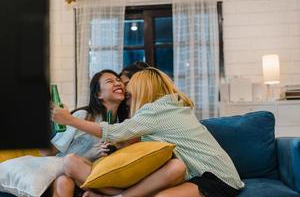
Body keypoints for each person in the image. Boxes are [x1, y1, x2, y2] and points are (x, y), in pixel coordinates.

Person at [54, 68, 245, 197]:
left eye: (131, 90)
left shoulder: (155, 110)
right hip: (216, 175)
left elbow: (115, 132)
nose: (128, 94)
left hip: (216, 179)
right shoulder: (172, 106)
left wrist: (69, 120)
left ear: (143, 89)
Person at [51, 69, 128, 197]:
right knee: (64, 181)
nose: (118, 83)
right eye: (110, 81)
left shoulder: (122, 124)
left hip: (95, 176)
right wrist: (90, 154)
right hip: (66, 172)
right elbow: (53, 153)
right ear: (99, 94)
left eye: (119, 80)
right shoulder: (82, 116)